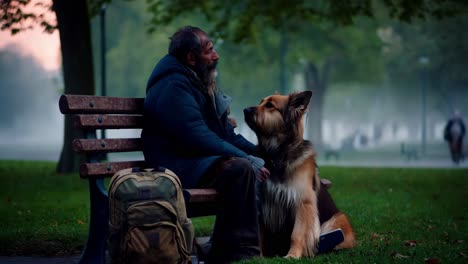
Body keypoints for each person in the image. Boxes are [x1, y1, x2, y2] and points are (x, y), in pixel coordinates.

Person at [141, 26, 270, 263]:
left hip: (196, 161)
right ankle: (243, 252)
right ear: (191, 58)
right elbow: (197, 135)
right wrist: (247, 159)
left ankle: (319, 227)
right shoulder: (174, 86)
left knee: (268, 163)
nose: (216, 56)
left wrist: (264, 153)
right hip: (175, 168)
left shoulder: (196, 82)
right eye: (209, 51)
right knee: (240, 169)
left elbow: (225, 134)